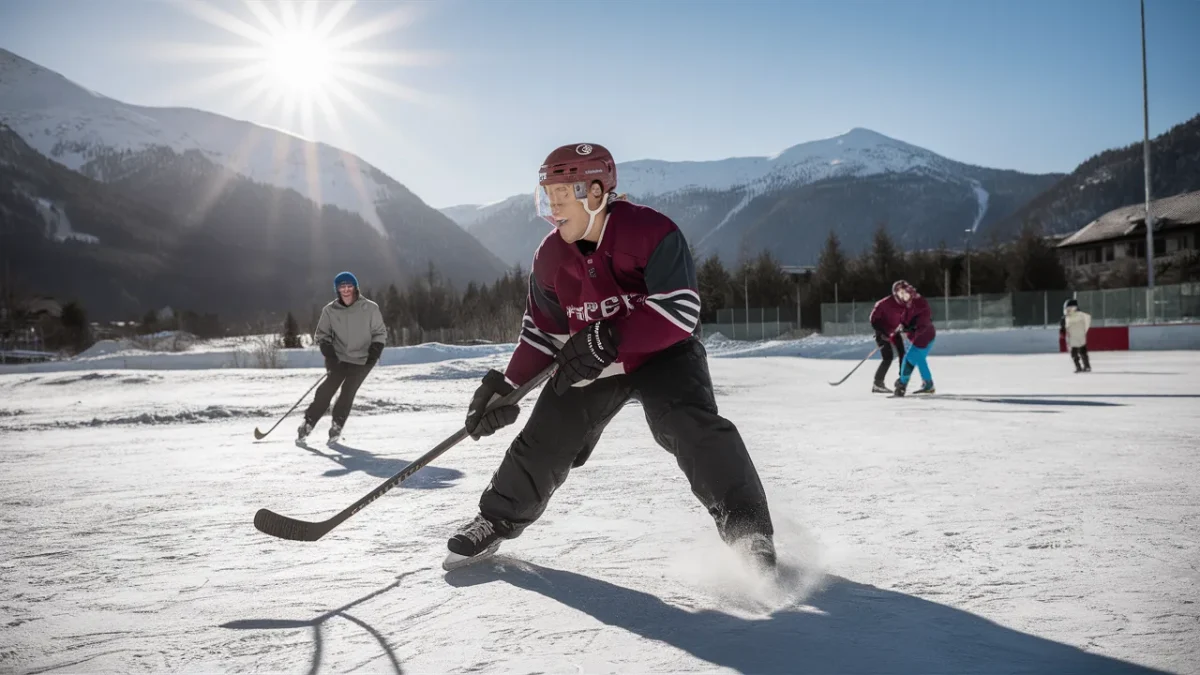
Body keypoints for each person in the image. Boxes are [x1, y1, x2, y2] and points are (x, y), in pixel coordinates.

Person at [445, 142, 776, 572]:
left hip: (664, 352)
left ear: (597, 193)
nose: (553, 206)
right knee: (548, 432)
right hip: (590, 359)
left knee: (688, 424)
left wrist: (613, 335)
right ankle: (495, 519)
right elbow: (543, 333)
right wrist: (506, 388)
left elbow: (680, 311)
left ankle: (749, 532)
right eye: (548, 195)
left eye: (564, 195)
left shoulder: (652, 232)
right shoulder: (549, 257)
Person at [298, 271, 386, 445]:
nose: (346, 290)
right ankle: (309, 422)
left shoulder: (370, 308)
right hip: (338, 359)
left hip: (363, 359)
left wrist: (375, 351)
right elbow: (323, 335)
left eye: (349, 286)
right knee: (325, 391)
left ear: (355, 287)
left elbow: (379, 333)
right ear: (337, 289)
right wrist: (330, 355)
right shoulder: (329, 310)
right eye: (342, 287)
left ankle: (337, 425)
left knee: (348, 392)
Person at [892, 280, 936, 397]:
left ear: (909, 291)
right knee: (919, 359)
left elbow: (924, 322)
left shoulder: (919, 302)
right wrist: (901, 326)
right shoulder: (907, 305)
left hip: (924, 337)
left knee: (910, 359)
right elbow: (904, 320)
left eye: (905, 293)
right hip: (919, 338)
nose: (904, 296)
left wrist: (912, 328)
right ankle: (928, 384)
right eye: (900, 294)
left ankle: (903, 383)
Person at [868, 292, 907, 394]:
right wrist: (881, 333)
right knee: (888, 357)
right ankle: (878, 383)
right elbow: (873, 319)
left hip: (894, 332)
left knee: (902, 353)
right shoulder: (883, 303)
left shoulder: (903, 304)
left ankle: (902, 381)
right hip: (882, 333)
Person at [1060, 298, 1092, 372]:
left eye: (1068, 308)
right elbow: (1088, 320)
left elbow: (1063, 328)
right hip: (1079, 337)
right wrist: (1084, 331)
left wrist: (1063, 332)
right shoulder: (1082, 315)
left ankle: (1079, 367)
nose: (1067, 310)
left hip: (1074, 338)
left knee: (1075, 353)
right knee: (1082, 351)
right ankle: (1086, 366)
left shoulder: (1067, 318)